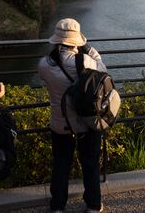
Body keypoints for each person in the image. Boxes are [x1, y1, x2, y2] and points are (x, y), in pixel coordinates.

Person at [38, 18, 106, 213]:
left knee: (60, 164)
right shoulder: (86, 61)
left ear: (56, 40)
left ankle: (58, 206)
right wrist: (90, 50)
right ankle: (93, 205)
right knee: (90, 163)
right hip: (87, 122)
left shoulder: (44, 64)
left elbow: (46, 75)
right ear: (77, 41)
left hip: (60, 123)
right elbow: (103, 70)